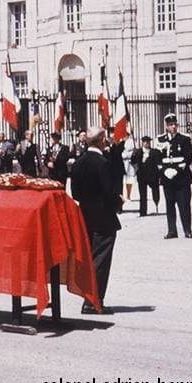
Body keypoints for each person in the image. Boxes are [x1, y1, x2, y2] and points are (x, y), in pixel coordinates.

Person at [70, 127, 121, 313]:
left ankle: (88, 298)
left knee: (90, 257)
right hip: (103, 217)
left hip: (85, 214)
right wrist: (118, 201)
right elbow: (109, 192)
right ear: (101, 140)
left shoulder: (78, 162)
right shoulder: (101, 163)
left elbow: (75, 192)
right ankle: (93, 300)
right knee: (101, 259)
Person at [157, 113, 192, 238]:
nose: (173, 127)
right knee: (170, 204)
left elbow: (188, 156)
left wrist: (177, 169)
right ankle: (172, 230)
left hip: (182, 177)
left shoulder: (184, 138)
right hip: (167, 178)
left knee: (184, 205)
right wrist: (164, 170)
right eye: (170, 125)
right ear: (166, 126)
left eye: (175, 124)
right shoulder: (160, 140)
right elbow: (157, 158)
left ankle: (187, 230)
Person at [130, 136, 161, 216]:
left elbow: (158, 162)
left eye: (148, 141)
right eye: (145, 142)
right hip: (142, 175)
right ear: (142, 143)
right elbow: (133, 162)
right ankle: (143, 212)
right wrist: (133, 154)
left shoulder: (154, 152)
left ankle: (156, 206)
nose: (146, 143)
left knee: (155, 192)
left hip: (152, 175)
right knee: (142, 194)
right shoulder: (138, 152)